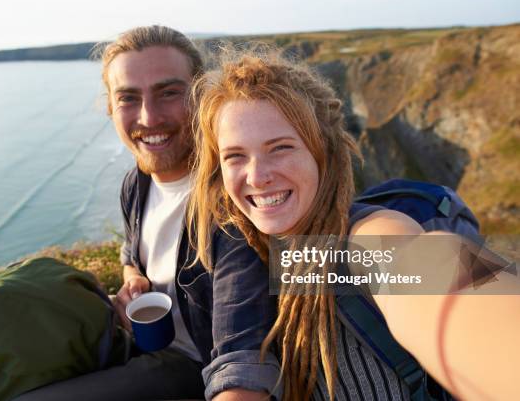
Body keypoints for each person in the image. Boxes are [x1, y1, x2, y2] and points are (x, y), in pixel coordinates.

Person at [188, 47, 520, 401]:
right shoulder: (251, 256)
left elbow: (424, 266)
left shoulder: (367, 236)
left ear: (324, 154)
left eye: (281, 148)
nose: (257, 176)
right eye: (235, 156)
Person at [16, 27, 280, 401]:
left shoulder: (230, 204)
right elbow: (130, 250)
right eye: (128, 98)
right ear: (110, 106)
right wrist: (131, 277)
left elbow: (242, 358)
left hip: (195, 368)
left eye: (169, 92)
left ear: (203, 95)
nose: (149, 117)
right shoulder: (136, 184)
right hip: (147, 346)